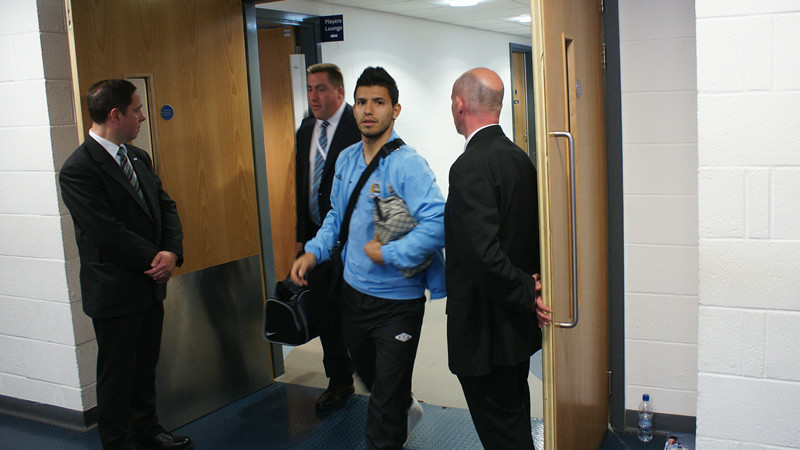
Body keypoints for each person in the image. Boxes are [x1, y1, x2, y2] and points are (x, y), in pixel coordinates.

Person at [291, 66, 446, 449]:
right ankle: (400, 406)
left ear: (395, 110)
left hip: (398, 303)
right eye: (362, 102)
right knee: (373, 382)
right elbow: (335, 217)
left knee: (381, 410)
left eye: (378, 102)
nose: (368, 110)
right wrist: (313, 252)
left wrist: (390, 251)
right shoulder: (344, 160)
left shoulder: (408, 164)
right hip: (353, 295)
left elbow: (439, 223)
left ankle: (393, 417)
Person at [59, 79, 191, 450]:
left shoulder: (137, 157)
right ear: (115, 115)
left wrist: (171, 250)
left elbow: (165, 205)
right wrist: (155, 257)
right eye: (137, 110)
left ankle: (148, 430)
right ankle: (119, 442)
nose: (143, 117)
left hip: (149, 285)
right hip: (116, 292)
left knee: (144, 368)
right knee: (117, 375)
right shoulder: (79, 169)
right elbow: (105, 232)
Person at [444, 67, 553, 450]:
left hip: (485, 337)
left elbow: (482, 257)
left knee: (503, 436)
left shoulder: (469, 167)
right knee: (513, 423)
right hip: (514, 334)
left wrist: (526, 289)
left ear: (460, 104)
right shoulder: (519, 159)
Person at [294, 62, 360, 410]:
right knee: (325, 315)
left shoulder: (358, 127)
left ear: (338, 91)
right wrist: (301, 236)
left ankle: (377, 378)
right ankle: (340, 381)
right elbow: (301, 185)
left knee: (355, 314)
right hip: (316, 243)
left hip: (352, 242)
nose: (313, 96)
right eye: (309, 88)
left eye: (320, 88)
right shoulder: (305, 131)